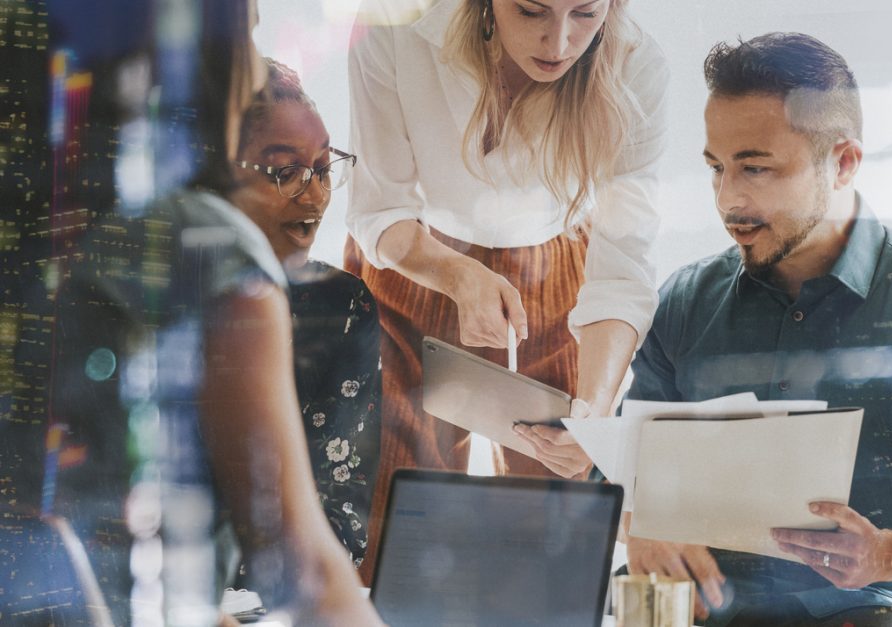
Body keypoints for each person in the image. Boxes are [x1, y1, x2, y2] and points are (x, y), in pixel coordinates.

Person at [622, 33, 892, 627]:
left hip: (860, 607)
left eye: (756, 168)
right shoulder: (684, 300)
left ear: (843, 162)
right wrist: (640, 525)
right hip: (695, 607)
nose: (729, 200)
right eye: (717, 169)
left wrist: (881, 554)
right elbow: (620, 465)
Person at [48, 0, 385, 624]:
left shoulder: (55, 219)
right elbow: (306, 570)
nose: (310, 194)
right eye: (250, 31)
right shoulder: (211, 253)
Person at [345, 0, 667, 580]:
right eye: (531, 11)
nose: (559, 43)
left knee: (553, 546)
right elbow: (378, 211)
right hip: (413, 264)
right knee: (389, 531)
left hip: (562, 282)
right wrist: (458, 275)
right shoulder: (394, 22)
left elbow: (622, 271)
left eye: (586, 14)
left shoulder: (637, 65)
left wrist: (594, 414)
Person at [229, 58, 381, 572]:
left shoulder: (341, 307)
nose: (315, 196)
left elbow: (341, 521)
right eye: (286, 172)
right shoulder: (139, 293)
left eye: (322, 168)